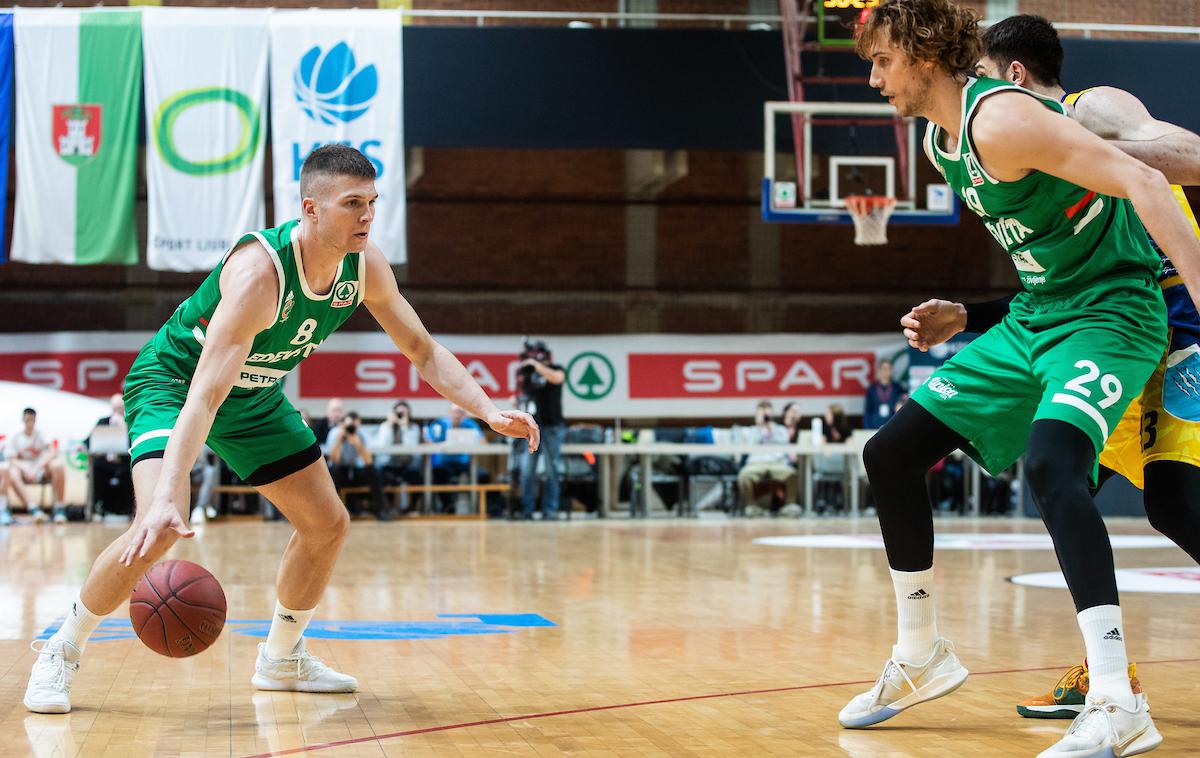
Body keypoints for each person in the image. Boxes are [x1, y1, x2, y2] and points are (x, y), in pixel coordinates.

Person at [22, 144, 538, 714]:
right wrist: (169, 495)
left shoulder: (364, 267)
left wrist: (488, 410)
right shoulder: (259, 274)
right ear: (310, 208)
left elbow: (421, 349)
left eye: (372, 202)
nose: (367, 215)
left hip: (254, 394)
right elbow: (206, 394)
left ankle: (282, 658)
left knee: (326, 524)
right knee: (157, 526)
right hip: (176, 383)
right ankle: (60, 651)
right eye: (351, 204)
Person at [842, 3, 1200, 757]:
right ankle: (920, 655)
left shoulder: (1002, 120)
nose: (873, 78)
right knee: (890, 453)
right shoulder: (945, 143)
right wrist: (967, 316)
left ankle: (1114, 696)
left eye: (882, 61)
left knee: (1061, 469)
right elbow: (1052, 257)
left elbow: (1146, 179)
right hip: (1041, 316)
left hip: (1115, 316)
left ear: (924, 53)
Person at [515, 340, 566, 520]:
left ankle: (549, 510)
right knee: (527, 471)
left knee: (552, 470)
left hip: (553, 427)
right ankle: (527, 510)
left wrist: (537, 366)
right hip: (531, 428)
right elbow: (523, 396)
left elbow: (557, 378)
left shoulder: (555, 368)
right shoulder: (528, 376)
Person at [1, 408, 67, 524]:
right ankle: (33, 508)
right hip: (23, 469)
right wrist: (25, 468)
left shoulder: (42, 433)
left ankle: (59, 508)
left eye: (32, 420)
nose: (30, 423)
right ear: (23, 420)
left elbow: (53, 451)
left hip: (40, 468)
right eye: (28, 420)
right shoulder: (15, 435)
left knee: (58, 465)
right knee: (11, 472)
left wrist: (37, 467)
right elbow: (11, 459)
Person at [736, 400, 798, 514]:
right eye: (762, 415)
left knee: (792, 474)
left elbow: (784, 443)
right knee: (744, 475)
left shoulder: (780, 430)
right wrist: (760, 428)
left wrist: (771, 429)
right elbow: (748, 446)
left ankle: (790, 504)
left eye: (767, 415)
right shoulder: (751, 431)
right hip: (756, 463)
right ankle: (751, 506)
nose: (765, 418)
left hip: (777, 463)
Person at [325, 411, 389, 519]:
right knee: (335, 469)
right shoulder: (335, 433)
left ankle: (380, 509)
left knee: (372, 470)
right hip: (338, 472)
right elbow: (333, 460)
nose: (351, 428)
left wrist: (358, 444)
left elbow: (368, 462)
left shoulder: (358, 435)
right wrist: (340, 439)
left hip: (353, 471)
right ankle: (332, 512)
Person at [425, 403, 487, 513]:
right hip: (443, 463)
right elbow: (428, 443)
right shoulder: (439, 424)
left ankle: (481, 508)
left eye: (460, 413)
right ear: (449, 413)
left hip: (464, 463)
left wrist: (471, 442)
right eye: (455, 412)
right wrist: (443, 444)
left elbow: (484, 442)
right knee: (437, 475)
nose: (457, 416)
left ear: (464, 415)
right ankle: (447, 505)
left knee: (483, 475)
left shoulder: (470, 424)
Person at [87, 393, 133, 518]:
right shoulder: (103, 422)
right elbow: (89, 441)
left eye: (120, 409)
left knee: (132, 472)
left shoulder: (130, 422)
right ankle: (98, 506)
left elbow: (134, 443)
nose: (117, 412)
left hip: (124, 462)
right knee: (96, 469)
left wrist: (124, 428)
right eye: (115, 409)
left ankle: (129, 508)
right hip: (105, 462)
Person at [863, 359, 906, 429]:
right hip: (875, 425)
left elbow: (902, 408)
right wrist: (867, 428)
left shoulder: (898, 388)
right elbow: (867, 411)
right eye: (884, 369)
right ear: (879, 370)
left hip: (892, 425)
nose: (887, 371)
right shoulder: (872, 389)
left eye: (889, 368)